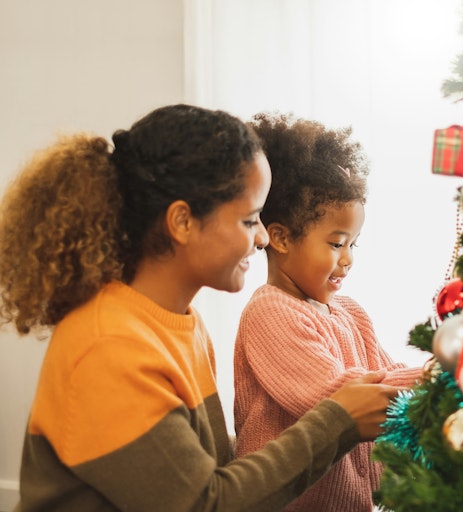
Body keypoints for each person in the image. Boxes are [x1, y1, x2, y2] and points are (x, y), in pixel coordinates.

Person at [0, 104, 402, 512]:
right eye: (249, 220)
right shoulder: (110, 348)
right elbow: (205, 505)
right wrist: (337, 422)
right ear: (182, 222)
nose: (263, 238)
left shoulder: (182, 324)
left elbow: (196, 468)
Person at [233, 112, 423, 512]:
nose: (349, 259)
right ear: (281, 238)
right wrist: (438, 377)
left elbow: (389, 379)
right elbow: (339, 397)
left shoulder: (351, 313)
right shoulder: (270, 312)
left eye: (355, 243)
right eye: (337, 244)